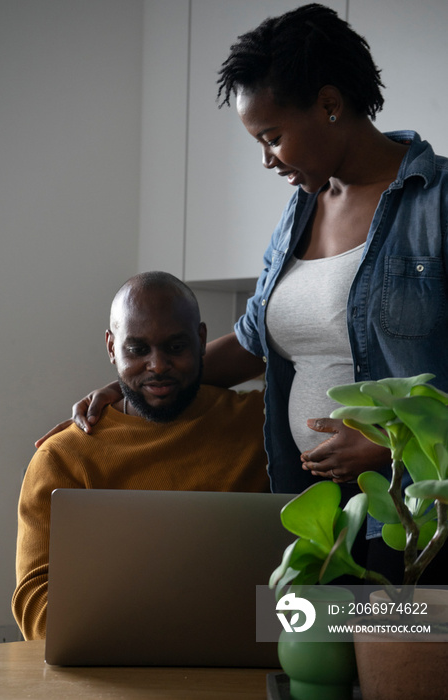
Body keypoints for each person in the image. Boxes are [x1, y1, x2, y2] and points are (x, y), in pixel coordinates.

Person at [37, 5, 448, 580]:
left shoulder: (437, 203)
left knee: (393, 666)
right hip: (315, 513)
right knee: (318, 668)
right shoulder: (300, 210)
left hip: (415, 521)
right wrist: (129, 387)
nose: (266, 160)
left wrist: (394, 449)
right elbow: (254, 342)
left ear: (330, 105)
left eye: (273, 137)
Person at [13, 271, 269, 640]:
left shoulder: (260, 424)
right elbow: (36, 607)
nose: (158, 365)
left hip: (245, 657)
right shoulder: (63, 458)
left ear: (201, 341)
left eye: (175, 346)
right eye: (137, 350)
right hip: (113, 673)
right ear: (111, 347)